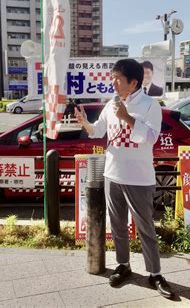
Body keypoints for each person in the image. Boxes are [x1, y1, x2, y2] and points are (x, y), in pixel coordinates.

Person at [74, 59, 175, 299]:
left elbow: (150, 137)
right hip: (113, 174)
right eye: (113, 77)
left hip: (139, 178)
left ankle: (155, 273)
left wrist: (128, 117)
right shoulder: (111, 104)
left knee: (145, 228)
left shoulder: (151, 105)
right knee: (118, 225)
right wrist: (85, 124)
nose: (113, 82)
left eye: (118, 78)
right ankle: (124, 265)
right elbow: (98, 130)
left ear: (134, 82)